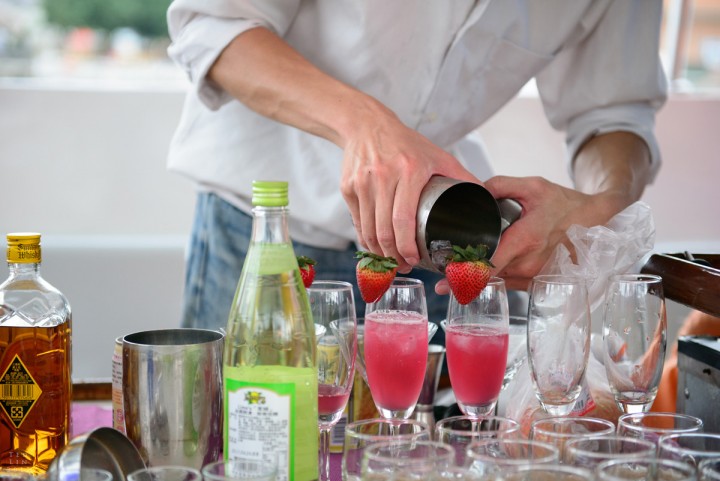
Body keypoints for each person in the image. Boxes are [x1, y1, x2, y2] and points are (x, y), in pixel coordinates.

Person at [165, 1, 667, 331]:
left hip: (441, 248)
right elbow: (213, 24)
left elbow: (614, 113)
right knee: (240, 442)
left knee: (435, 448)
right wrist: (364, 125)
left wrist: (601, 207)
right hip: (265, 241)